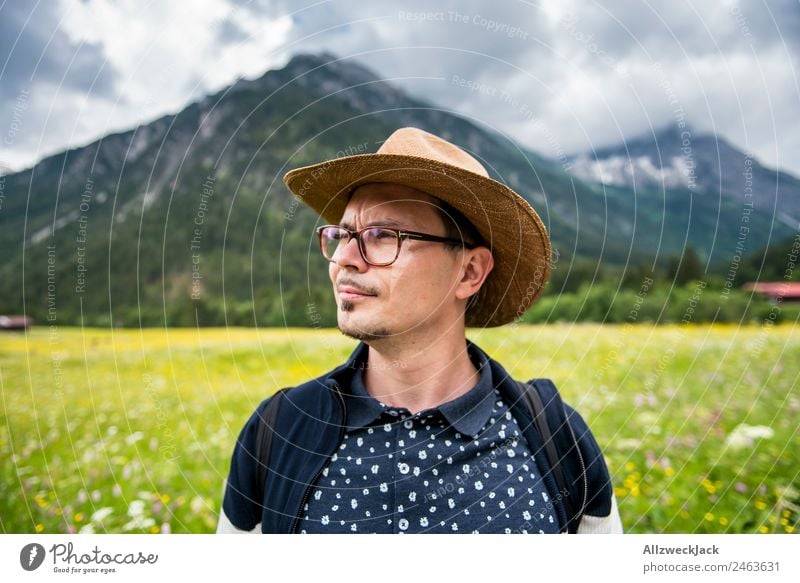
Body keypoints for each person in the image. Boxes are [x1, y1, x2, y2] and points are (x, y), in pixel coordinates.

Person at [216, 127, 623, 534]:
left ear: (469, 272)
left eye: (382, 236)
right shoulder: (279, 430)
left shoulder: (555, 436)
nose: (343, 258)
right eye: (341, 235)